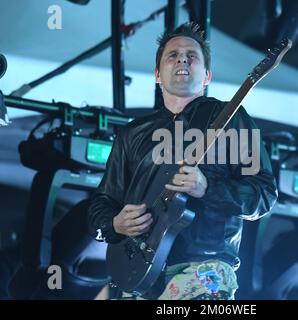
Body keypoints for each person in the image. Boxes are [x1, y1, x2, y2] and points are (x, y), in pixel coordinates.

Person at [88, 22, 278, 300]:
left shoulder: (232, 119)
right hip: (138, 274)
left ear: (206, 76)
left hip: (204, 269)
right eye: (173, 55)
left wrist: (207, 188)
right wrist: (115, 224)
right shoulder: (132, 133)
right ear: (157, 75)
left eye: (192, 55)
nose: (182, 59)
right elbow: (101, 202)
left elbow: (263, 194)